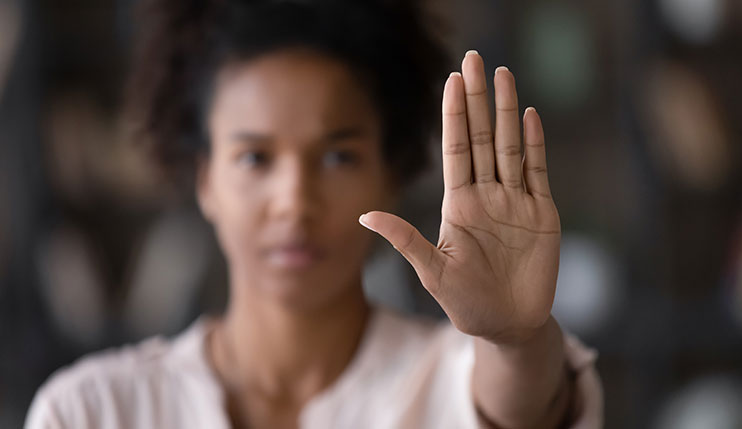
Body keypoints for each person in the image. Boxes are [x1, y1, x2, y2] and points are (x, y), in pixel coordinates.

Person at [25, 0, 603, 427]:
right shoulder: (91, 411)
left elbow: (516, 404)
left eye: (337, 156)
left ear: (392, 171)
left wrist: (515, 340)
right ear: (205, 178)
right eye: (255, 157)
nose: (295, 201)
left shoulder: (453, 379)